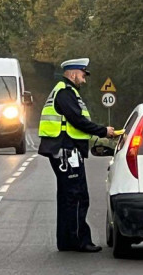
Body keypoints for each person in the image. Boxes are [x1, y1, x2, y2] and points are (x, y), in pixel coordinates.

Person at [38, 58, 115, 253]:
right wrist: (102, 131)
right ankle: (80, 240)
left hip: (63, 149)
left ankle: (66, 241)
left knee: (67, 196)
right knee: (78, 195)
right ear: (72, 73)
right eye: (82, 74)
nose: (84, 79)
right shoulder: (65, 92)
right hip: (65, 149)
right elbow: (77, 120)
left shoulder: (65, 91)